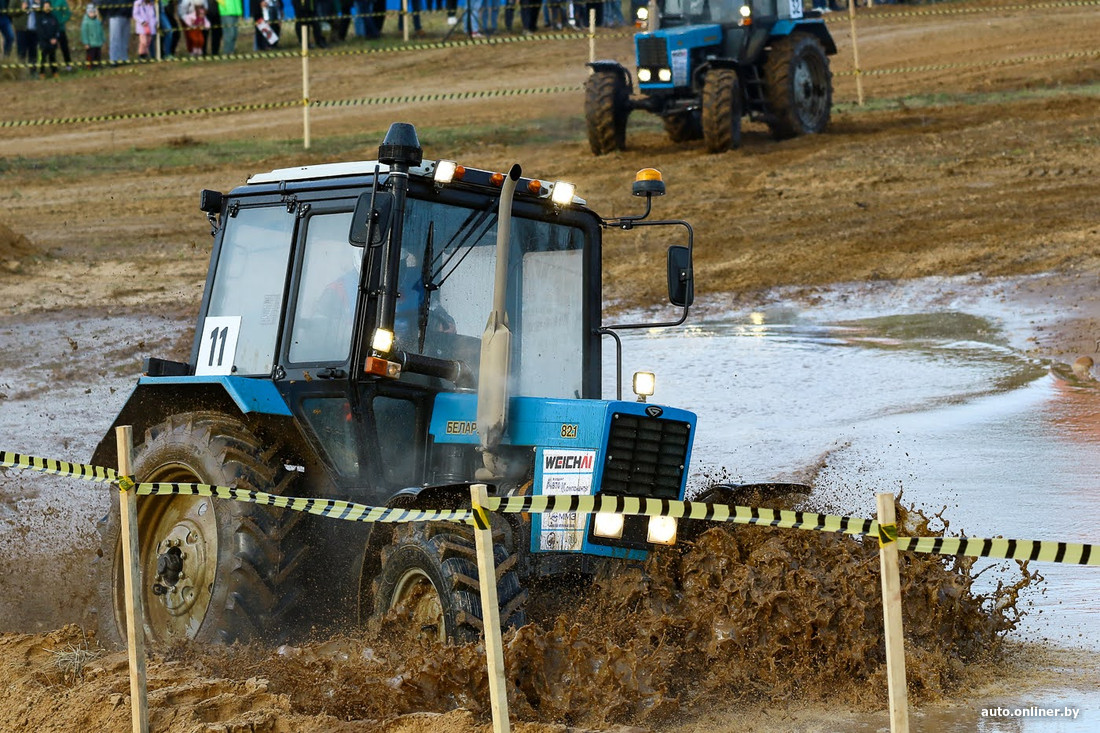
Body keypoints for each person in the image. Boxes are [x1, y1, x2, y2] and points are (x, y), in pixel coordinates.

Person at [35, 0, 60, 75]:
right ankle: (41, 73)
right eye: (45, 6)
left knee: (53, 58)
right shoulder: (40, 18)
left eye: (48, 6)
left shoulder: (53, 17)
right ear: (43, 7)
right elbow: (40, 31)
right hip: (44, 42)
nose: (47, 8)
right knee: (43, 58)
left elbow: (57, 28)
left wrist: (55, 38)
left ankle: (54, 72)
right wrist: (49, 39)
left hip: (53, 42)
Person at [80, 1, 104, 67]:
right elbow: (84, 33)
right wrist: (86, 43)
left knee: (98, 55)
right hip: (90, 43)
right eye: (90, 12)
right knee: (90, 55)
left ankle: (98, 65)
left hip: (98, 42)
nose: (92, 14)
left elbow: (101, 31)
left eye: (93, 12)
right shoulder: (85, 22)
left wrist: (102, 39)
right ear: (87, 13)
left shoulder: (97, 22)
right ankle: (90, 66)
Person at [49, 0, 71, 68]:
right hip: (50, 30)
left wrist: (61, 21)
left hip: (60, 29)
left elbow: (68, 14)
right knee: (51, 50)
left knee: (64, 48)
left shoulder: (62, 1)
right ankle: (54, 69)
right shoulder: (47, 1)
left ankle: (68, 66)